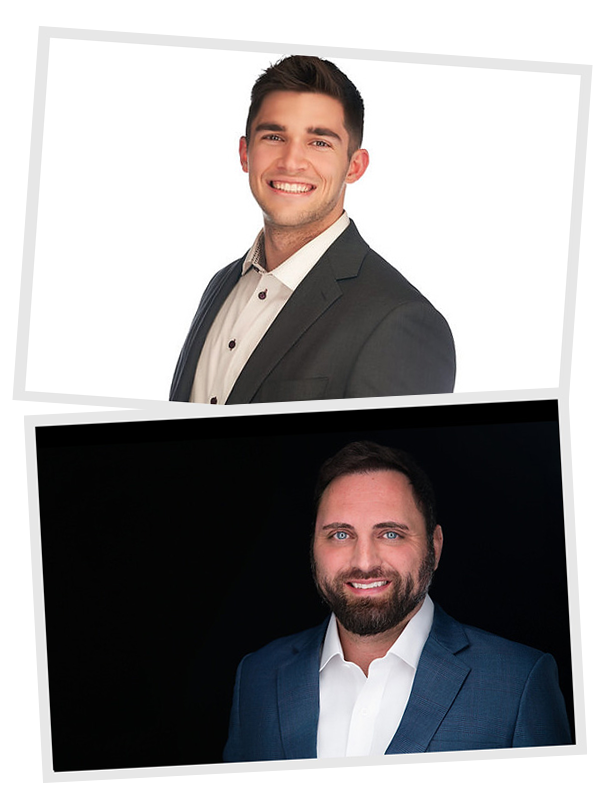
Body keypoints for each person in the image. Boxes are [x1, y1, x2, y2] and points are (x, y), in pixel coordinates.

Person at [222, 441, 572, 761]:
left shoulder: (518, 681)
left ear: (434, 547)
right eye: (340, 534)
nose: (363, 562)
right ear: (313, 545)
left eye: (390, 534)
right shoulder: (257, 676)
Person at [169, 56, 456, 405]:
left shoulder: (399, 320)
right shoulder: (220, 286)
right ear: (245, 153)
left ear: (354, 166)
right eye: (274, 136)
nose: (291, 162)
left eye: (319, 142)